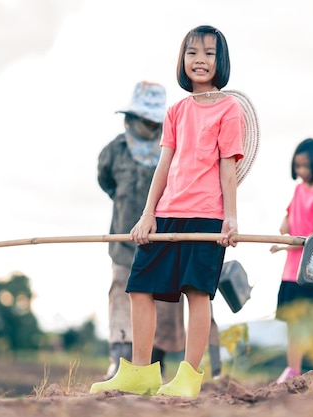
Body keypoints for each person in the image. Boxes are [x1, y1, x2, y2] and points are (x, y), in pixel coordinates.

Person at [90, 25, 243, 398]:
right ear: (182, 60)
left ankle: (189, 377)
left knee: (197, 293)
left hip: (206, 216)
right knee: (140, 286)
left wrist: (231, 217)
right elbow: (164, 166)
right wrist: (148, 214)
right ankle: (140, 372)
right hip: (167, 212)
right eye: (192, 53)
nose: (200, 60)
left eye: (208, 53)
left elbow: (227, 168)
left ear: (220, 61)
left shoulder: (229, 109)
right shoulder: (176, 111)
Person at [97, 81, 185, 379]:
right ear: (131, 118)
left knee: (161, 302)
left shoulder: (174, 150)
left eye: (153, 121)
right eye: (142, 119)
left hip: (162, 241)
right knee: (121, 293)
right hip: (124, 241)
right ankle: (119, 362)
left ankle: (152, 367)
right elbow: (106, 182)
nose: (147, 126)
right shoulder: (114, 151)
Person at [269, 138, 313, 384]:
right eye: (297, 166)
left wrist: (285, 244)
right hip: (290, 273)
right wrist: (285, 226)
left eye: (305, 166)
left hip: (309, 272)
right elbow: (287, 221)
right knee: (293, 325)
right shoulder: (298, 191)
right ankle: (293, 370)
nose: (301, 172)